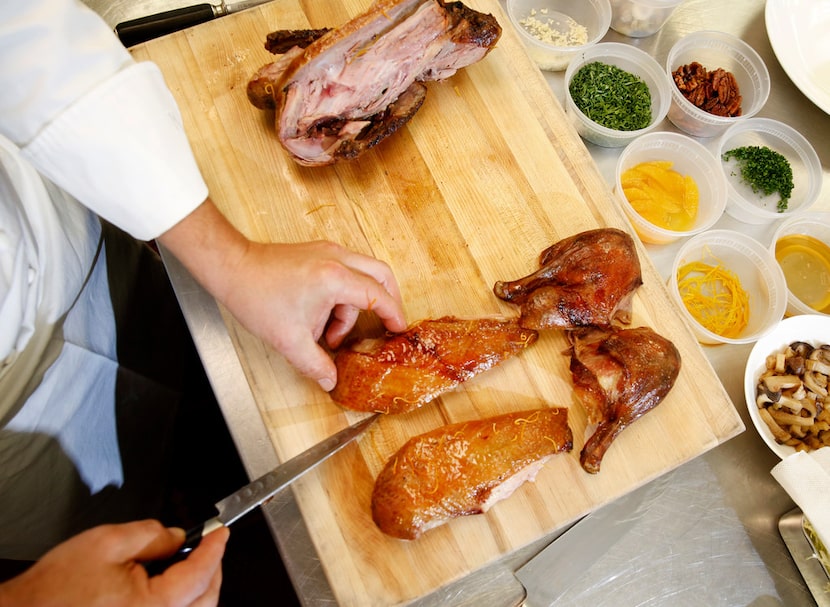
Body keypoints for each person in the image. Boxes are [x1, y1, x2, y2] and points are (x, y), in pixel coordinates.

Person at [0, 0, 406, 604]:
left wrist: (232, 258)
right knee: (99, 510)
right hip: (20, 437)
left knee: (173, 378)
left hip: (65, 215)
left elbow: (22, 32)